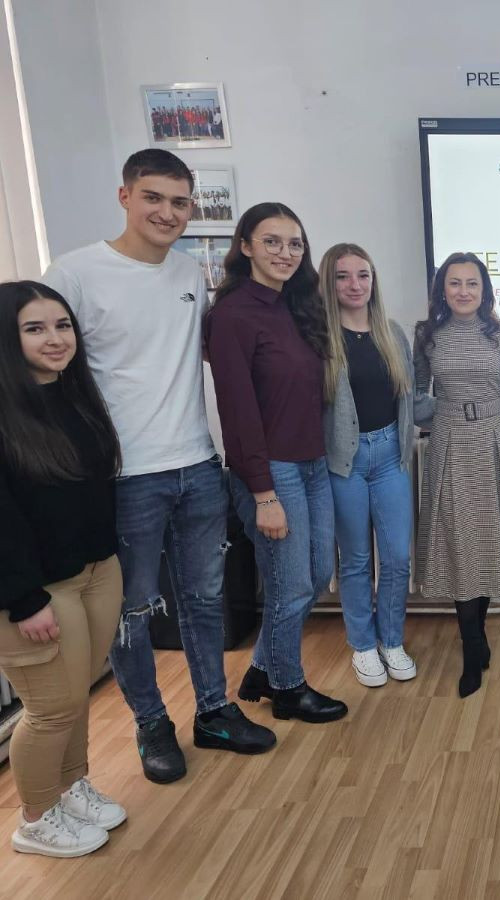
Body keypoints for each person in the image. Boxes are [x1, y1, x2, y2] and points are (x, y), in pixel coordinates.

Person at [42, 149, 275, 785]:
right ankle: (150, 723)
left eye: (179, 202)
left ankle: (213, 712)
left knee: (204, 600)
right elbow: (48, 368)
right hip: (124, 477)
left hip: (197, 464)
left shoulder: (189, 272)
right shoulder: (74, 274)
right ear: (125, 196)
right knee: (133, 611)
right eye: (153, 198)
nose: (167, 213)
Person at [206, 203, 345, 723]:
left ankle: (264, 669)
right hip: (271, 473)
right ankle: (288, 689)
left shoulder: (298, 306)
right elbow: (238, 413)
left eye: (295, 244)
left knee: (316, 574)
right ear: (245, 247)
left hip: (312, 464)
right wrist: (263, 494)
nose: (286, 253)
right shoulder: (232, 315)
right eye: (272, 241)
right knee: (290, 586)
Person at [0, 282, 125, 857]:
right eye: (35, 328)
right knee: (51, 709)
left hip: (95, 571)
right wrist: (23, 600)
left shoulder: (75, 395)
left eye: (62, 325)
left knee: (76, 696)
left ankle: (70, 788)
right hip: (35, 592)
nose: (55, 339)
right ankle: (34, 819)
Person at [413, 252, 500, 698]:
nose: (463, 291)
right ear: (442, 290)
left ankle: (477, 636)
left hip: (494, 444)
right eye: (455, 283)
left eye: (472, 283)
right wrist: (440, 415)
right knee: (459, 544)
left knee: (486, 542)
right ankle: (472, 648)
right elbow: (416, 396)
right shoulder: (427, 334)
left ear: (484, 291)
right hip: (449, 444)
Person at [319, 243, 433, 688]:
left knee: (398, 557)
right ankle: (363, 646)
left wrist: (470, 407)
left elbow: (414, 402)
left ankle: (391, 641)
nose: (355, 285)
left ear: (373, 280)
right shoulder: (320, 339)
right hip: (344, 462)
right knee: (355, 560)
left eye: (363, 275)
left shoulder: (392, 333)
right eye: (343, 276)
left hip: (390, 457)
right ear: (329, 283)